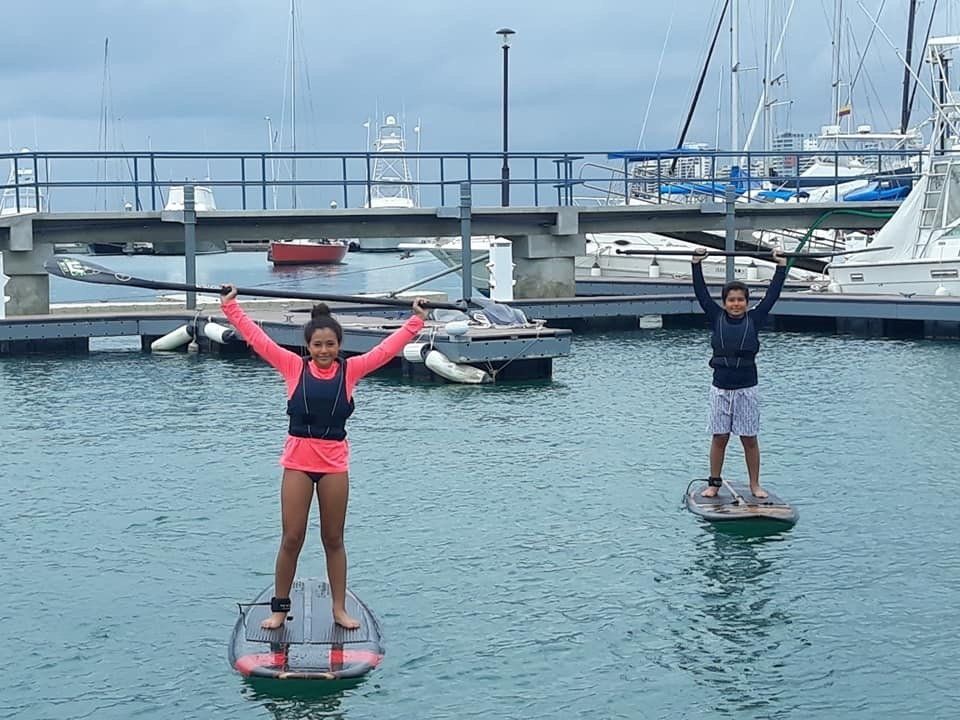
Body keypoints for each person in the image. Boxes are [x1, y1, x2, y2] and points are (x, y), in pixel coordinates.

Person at [220, 286, 429, 629]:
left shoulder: (351, 371)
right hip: (298, 465)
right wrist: (231, 308)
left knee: (333, 539)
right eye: (317, 345)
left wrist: (416, 321)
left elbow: (386, 349)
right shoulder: (292, 366)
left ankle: (339, 609)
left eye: (330, 344)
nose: (324, 351)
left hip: (333, 466)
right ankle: (279, 609)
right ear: (308, 347)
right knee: (292, 539)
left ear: (339, 345)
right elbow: (258, 340)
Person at [691, 248, 787, 499]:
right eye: (731, 300)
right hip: (721, 389)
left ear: (747, 302)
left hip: (746, 389)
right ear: (724, 303)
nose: (736, 304)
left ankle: (755, 484)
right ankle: (714, 483)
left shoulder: (755, 319)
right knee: (720, 437)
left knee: (749, 439)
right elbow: (701, 293)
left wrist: (780, 266)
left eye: (740, 300)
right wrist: (696, 264)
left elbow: (773, 295)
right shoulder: (716, 317)